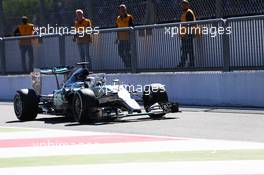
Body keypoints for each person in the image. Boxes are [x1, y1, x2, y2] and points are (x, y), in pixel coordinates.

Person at [178, 0, 196, 68]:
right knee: (185, 50)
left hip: (188, 34)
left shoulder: (188, 12)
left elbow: (190, 24)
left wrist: (187, 34)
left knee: (188, 50)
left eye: (185, 4)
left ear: (188, 5)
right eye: (182, 5)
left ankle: (189, 64)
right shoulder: (184, 13)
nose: (183, 6)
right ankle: (185, 63)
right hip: (185, 34)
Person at [115, 4, 134, 68]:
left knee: (127, 52)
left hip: (128, 39)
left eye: (123, 9)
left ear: (125, 10)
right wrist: (117, 38)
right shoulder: (117, 18)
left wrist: (130, 37)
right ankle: (127, 65)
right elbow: (117, 28)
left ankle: (131, 66)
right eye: (120, 9)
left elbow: (132, 28)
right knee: (120, 53)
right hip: (121, 39)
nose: (122, 11)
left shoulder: (129, 17)